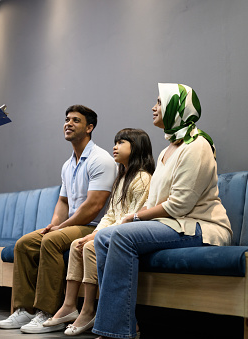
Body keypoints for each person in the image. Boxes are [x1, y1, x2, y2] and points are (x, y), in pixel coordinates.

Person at [91, 83, 233, 339]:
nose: (153, 107)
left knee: (121, 235)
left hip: (200, 227)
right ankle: (125, 323)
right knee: (104, 236)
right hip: (173, 225)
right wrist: (131, 219)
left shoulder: (197, 145)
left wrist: (133, 218)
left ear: (176, 107)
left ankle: (114, 330)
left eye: (159, 102)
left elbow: (180, 205)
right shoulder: (169, 149)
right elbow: (154, 200)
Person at [0, 105, 117, 334]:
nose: (68, 124)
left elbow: (94, 206)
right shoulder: (68, 164)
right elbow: (63, 201)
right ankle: (25, 309)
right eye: (67, 119)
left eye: (76, 120)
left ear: (89, 127)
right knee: (24, 244)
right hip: (72, 225)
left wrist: (60, 228)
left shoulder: (101, 159)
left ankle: (49, 312)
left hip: (94, 227)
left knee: (50, 241)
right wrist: (53, 224)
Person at [42, 128, 155, 336]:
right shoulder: (122, 178)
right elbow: (110, 216)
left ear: (136, 147)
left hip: (127, 235)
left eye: (121, 142)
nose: (115, 146)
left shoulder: (142, 179)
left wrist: (96, 236)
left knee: (90, 248)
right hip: (113, 232)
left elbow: (131, 219)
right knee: (79, 244)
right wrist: (93, 234)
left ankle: (88, 310)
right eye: (115, 142)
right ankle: (69, 305)